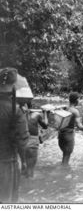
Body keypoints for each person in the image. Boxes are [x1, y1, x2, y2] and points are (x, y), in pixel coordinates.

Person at [0, 67, 29, 203]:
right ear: (14, 85)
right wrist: (23, 162)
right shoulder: (16, 110)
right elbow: (22, 141)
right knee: (7, 201)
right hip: (7, 162)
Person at [58, 92, 83, 166]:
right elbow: (79, 126)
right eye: (79, 99)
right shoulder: (75, 111)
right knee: (66, 158)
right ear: (77, 100)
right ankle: (62, 174)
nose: (79, 101)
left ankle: (62, 172)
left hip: (60, 135)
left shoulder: (64, 108)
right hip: (68, 136)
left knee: (64, 155)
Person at [21, 104, 48, 178]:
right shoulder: (36, 115)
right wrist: (45, 114)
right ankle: (30, 187)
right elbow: (45, 126)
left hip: (21, 142)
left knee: (23, 168)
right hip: (32, 143)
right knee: (30, 171)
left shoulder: (16, 114)